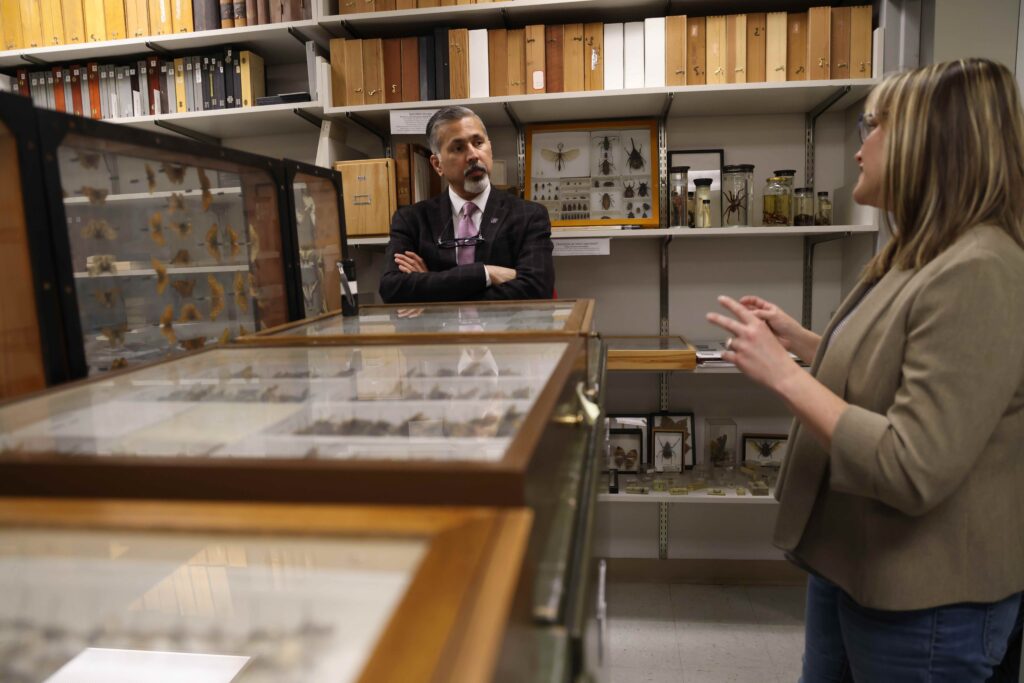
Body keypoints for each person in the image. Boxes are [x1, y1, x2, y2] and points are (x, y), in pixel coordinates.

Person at [707, 58, 1024, 681]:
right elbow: (905, 370)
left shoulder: (982, 268)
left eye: (873, 125)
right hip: (857, 565)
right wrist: (799, 339)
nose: (859, 148)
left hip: (928, 600)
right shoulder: (919, 253)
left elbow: (912, 464)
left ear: (932, 140)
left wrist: (786, 376)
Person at [378, 106, 555, 303]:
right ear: (437, 164)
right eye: (459, 148)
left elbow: (538, 288)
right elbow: (392, 289)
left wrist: (431, 285)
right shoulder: (411, 220)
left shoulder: (529, 215)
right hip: (438, 334)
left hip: (504, 332)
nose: (473, 155)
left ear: (490, 148)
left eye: (478, 143)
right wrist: (485, 273)